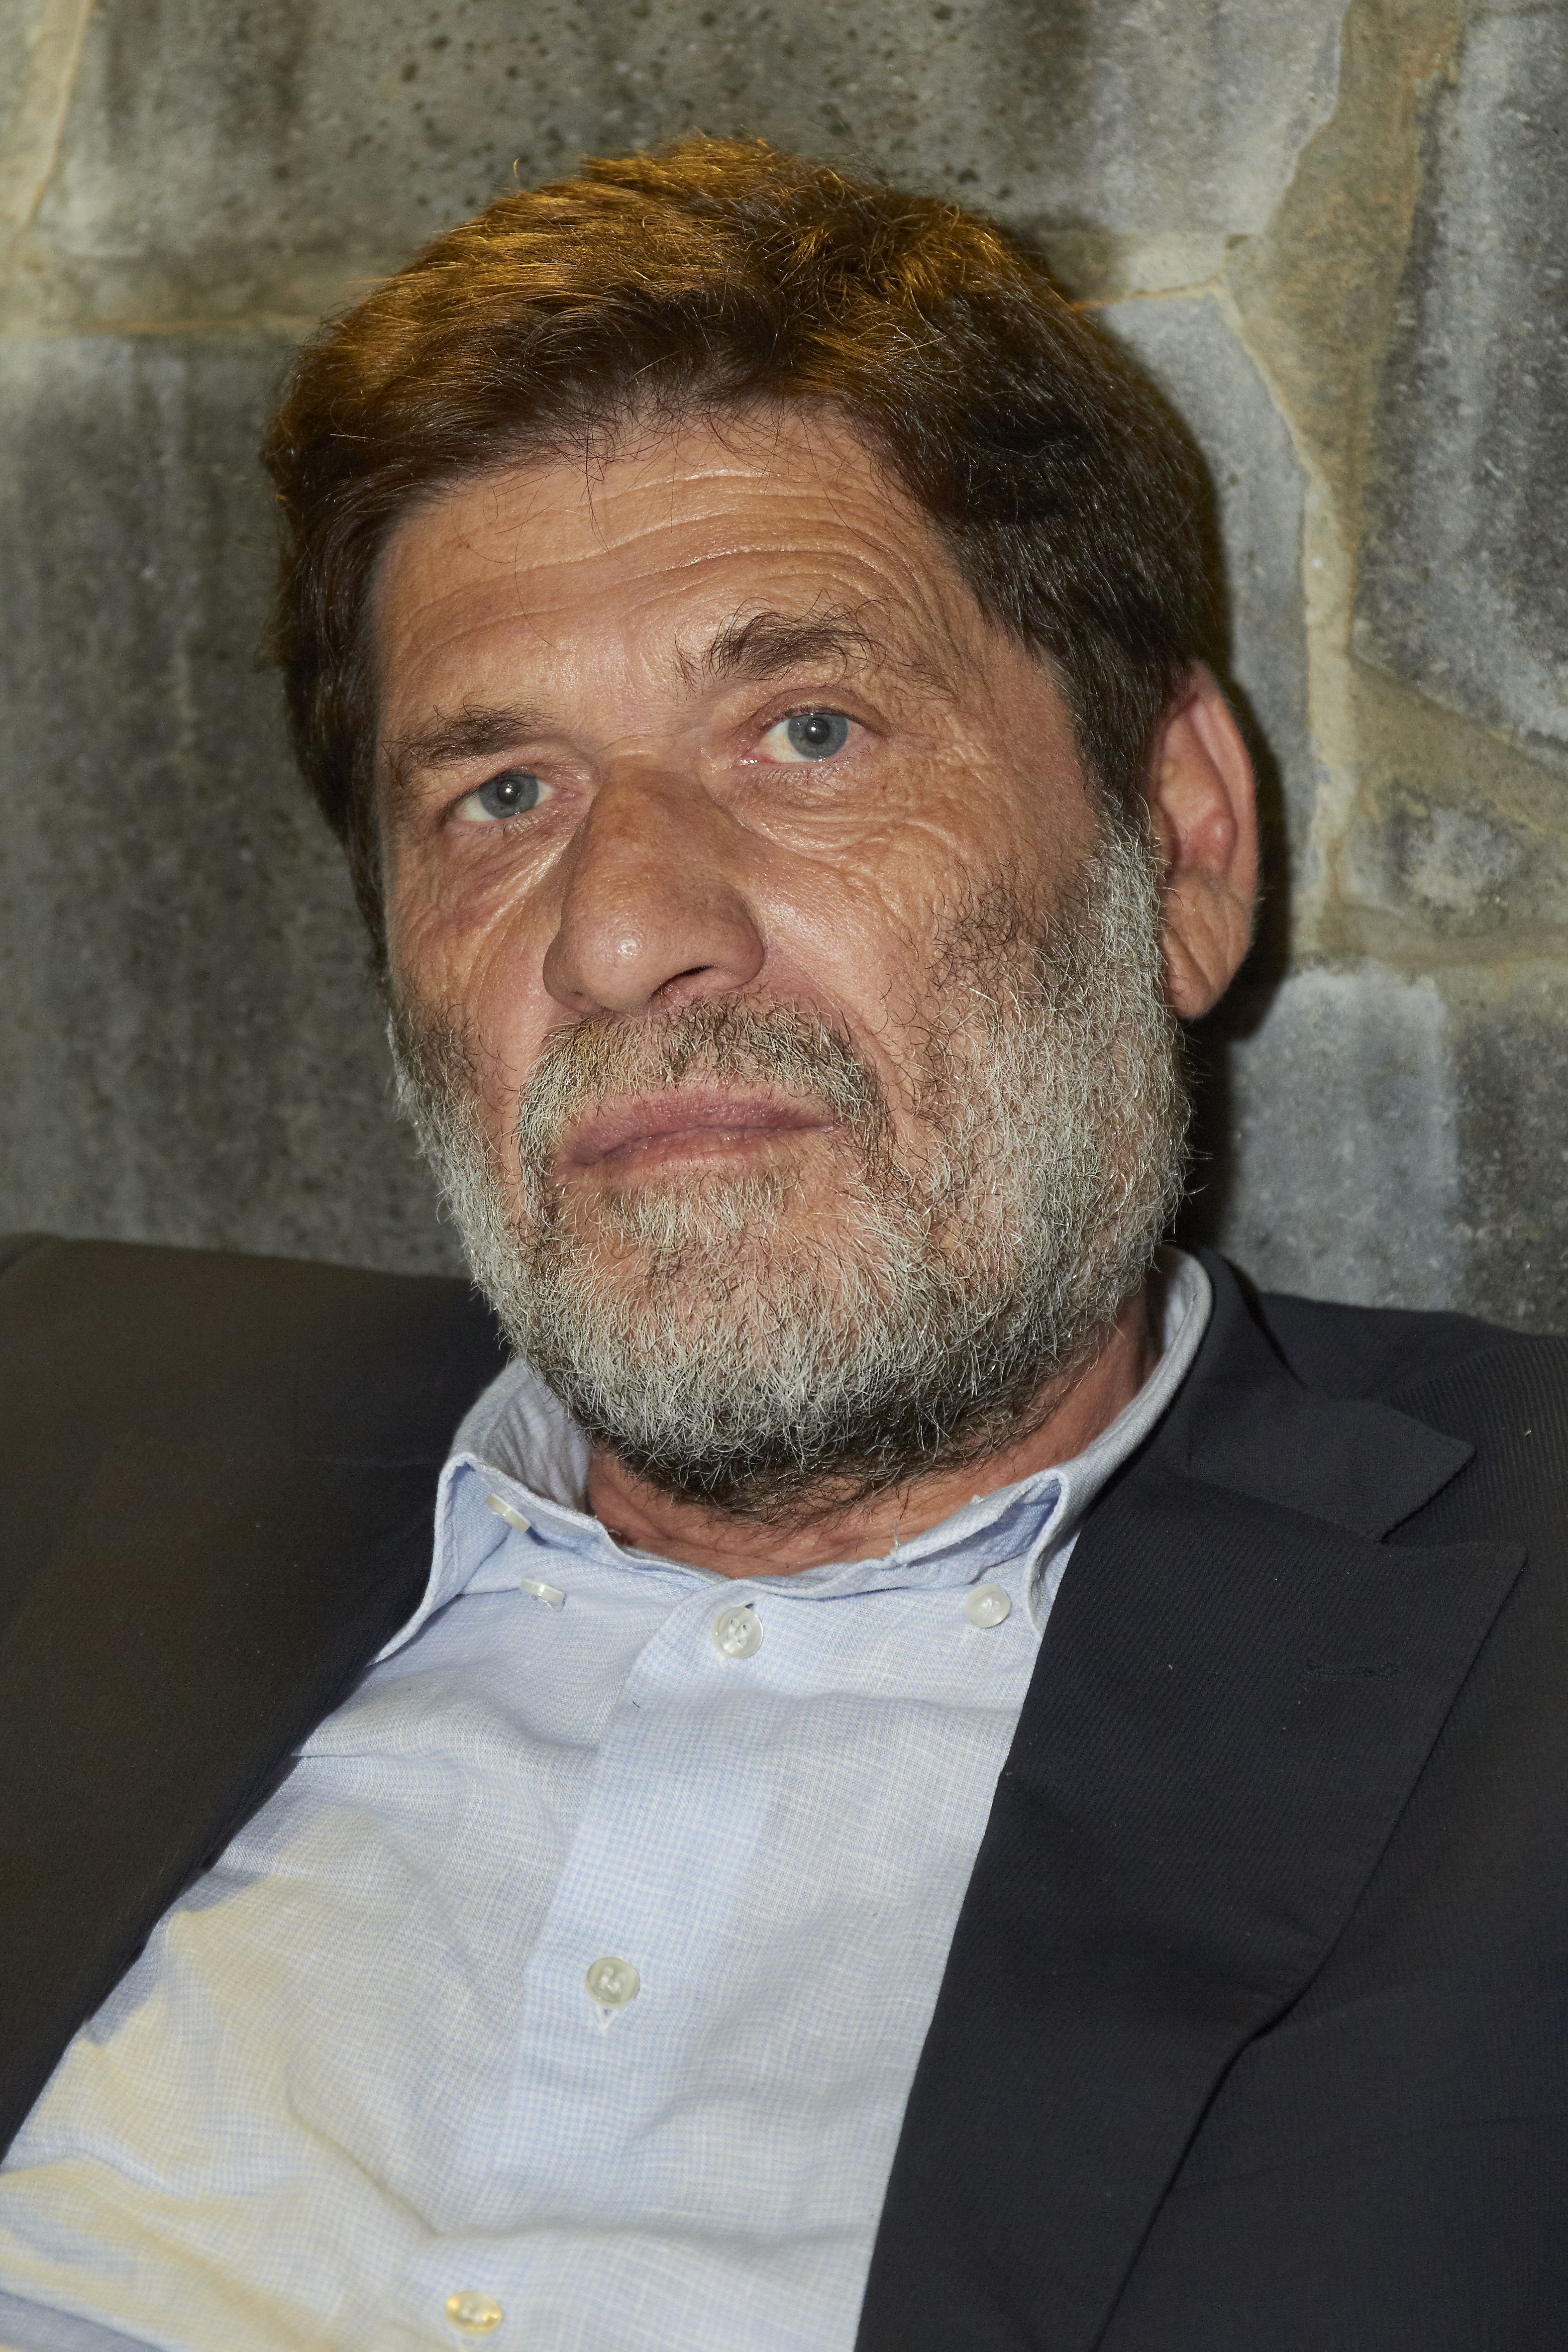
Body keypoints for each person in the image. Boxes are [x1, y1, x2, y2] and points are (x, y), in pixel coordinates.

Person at [0, 136, 1563, 2352]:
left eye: (804, 731)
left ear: (1181, 845)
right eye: (501, 794)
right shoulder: (53, 1405)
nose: (624, 929)